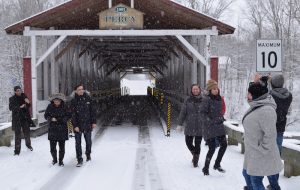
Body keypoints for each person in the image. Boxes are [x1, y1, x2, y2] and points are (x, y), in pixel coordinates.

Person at [242, 81, 283, 190]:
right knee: (246, 174)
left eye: (249, 94)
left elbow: (270, 134)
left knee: (255, 179)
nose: (247, 96)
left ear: (255, 95)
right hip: (253, 150)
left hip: (261, 153)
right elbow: (255, 125)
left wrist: (262, 148)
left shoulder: (266, 110)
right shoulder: (256, 105)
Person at [201, 80, 227, 176]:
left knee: (224, 145)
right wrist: (210, 121)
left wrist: (221, 117)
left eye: (217, 88)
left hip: (219, 126)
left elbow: (220, 111)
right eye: (214, 89)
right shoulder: (206, 99)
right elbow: (202, 113)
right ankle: (206, 168)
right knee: (212, 148)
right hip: (210, 127)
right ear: (210, 90)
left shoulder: (219, 99)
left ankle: (217, 164)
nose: (216, 90)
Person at [177, 84, 204, 168]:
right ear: (191, 90)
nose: (195, 90)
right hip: (190, 125)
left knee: (197, 144)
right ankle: (195, 154)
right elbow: (183, 112)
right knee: (188, 142)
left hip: (200, 125)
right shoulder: (187, 100)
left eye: (197, 89)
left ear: (199, 90)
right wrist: (180, 124)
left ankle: (195, 161)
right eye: (194, 89)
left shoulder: (204, 100)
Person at [70, 84, 97, 167]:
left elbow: (92, 111)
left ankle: (88, 155)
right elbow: (73, 115)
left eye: (82, 89)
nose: (81, 91)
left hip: (87, 124)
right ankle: (79, 159)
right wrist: (75, 126)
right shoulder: (73, 101)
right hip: (78, 125)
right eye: (79, 89)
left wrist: (94, 122)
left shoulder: (88, 99)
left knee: (88, 142)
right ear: (75, 91)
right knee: (78, 143)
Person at [269, 74, 293, 154]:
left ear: (273, 84)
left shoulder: (270, 96)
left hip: (269, 127)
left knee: (267, 153)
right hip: (281, 127)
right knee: (277, 151)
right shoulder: (289, 96)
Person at [44, 93, 70, 166]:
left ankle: (61, 161)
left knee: (62, 147)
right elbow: (46, 115)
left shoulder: (65, 106)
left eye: (58, 100)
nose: (56, 102)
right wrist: (50, 119)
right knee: (52, 147)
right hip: (53, 129)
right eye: (55, 100)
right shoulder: (50, 106)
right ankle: (54, 159)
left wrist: (59, 120)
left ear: (61, 101)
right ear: (53, 101)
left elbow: (68, 116)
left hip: (62, 129)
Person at [9, 86, 33, 155]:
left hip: (25, 118)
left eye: (19, 90)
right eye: (17, 91)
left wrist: (27, 103)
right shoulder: (12, 99)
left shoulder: (24, 97)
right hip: (17, 119)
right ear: (15, 91)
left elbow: (29, 105)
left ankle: (28, 146)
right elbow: (11, 108)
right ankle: (17, 150)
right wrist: (20, 107)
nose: (18, 92)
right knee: (17, 135)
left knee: (27, 133)